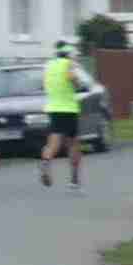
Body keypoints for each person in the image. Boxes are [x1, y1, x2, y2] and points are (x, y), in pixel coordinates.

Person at [38, 41, 94, 185]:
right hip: (69, 109)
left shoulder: (49, 65)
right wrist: (79, 85)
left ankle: (46, 161)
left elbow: (44, 84)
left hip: (53, 109)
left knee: (53, 143)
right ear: (68, 54)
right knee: (73, 144)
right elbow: (73, 78)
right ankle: (74, 179)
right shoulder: (68, 64)